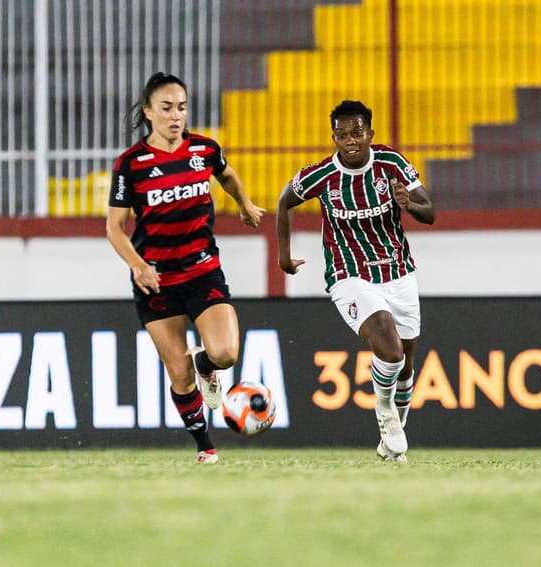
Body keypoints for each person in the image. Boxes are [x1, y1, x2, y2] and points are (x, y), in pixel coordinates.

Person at [107, 72, 265, 463]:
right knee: (179, 375)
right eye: (166, 108)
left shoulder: (205, 150)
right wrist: (138, 266)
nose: (176, 116)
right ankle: (205, 447)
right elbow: (114, 227)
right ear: (148, 112)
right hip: (156, 280)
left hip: (202, 269)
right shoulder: (132, 164)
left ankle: (206, 364)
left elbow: (226, 175)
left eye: (182, 107)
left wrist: (244, 204)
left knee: (226, 353)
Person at [276, 100, 436, 462]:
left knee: (406, 364)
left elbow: (431, 212)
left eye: (357, 133)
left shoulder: (391, 164)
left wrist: (408, 203)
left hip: (398, 271)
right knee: (388, 344)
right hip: (349, 274)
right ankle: (383, 411)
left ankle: (391, 441)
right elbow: (284, 202)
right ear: (333, 137)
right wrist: (283, 255)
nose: (350, 141)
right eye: (342, 135)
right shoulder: (322, 176)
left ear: (370, 135)